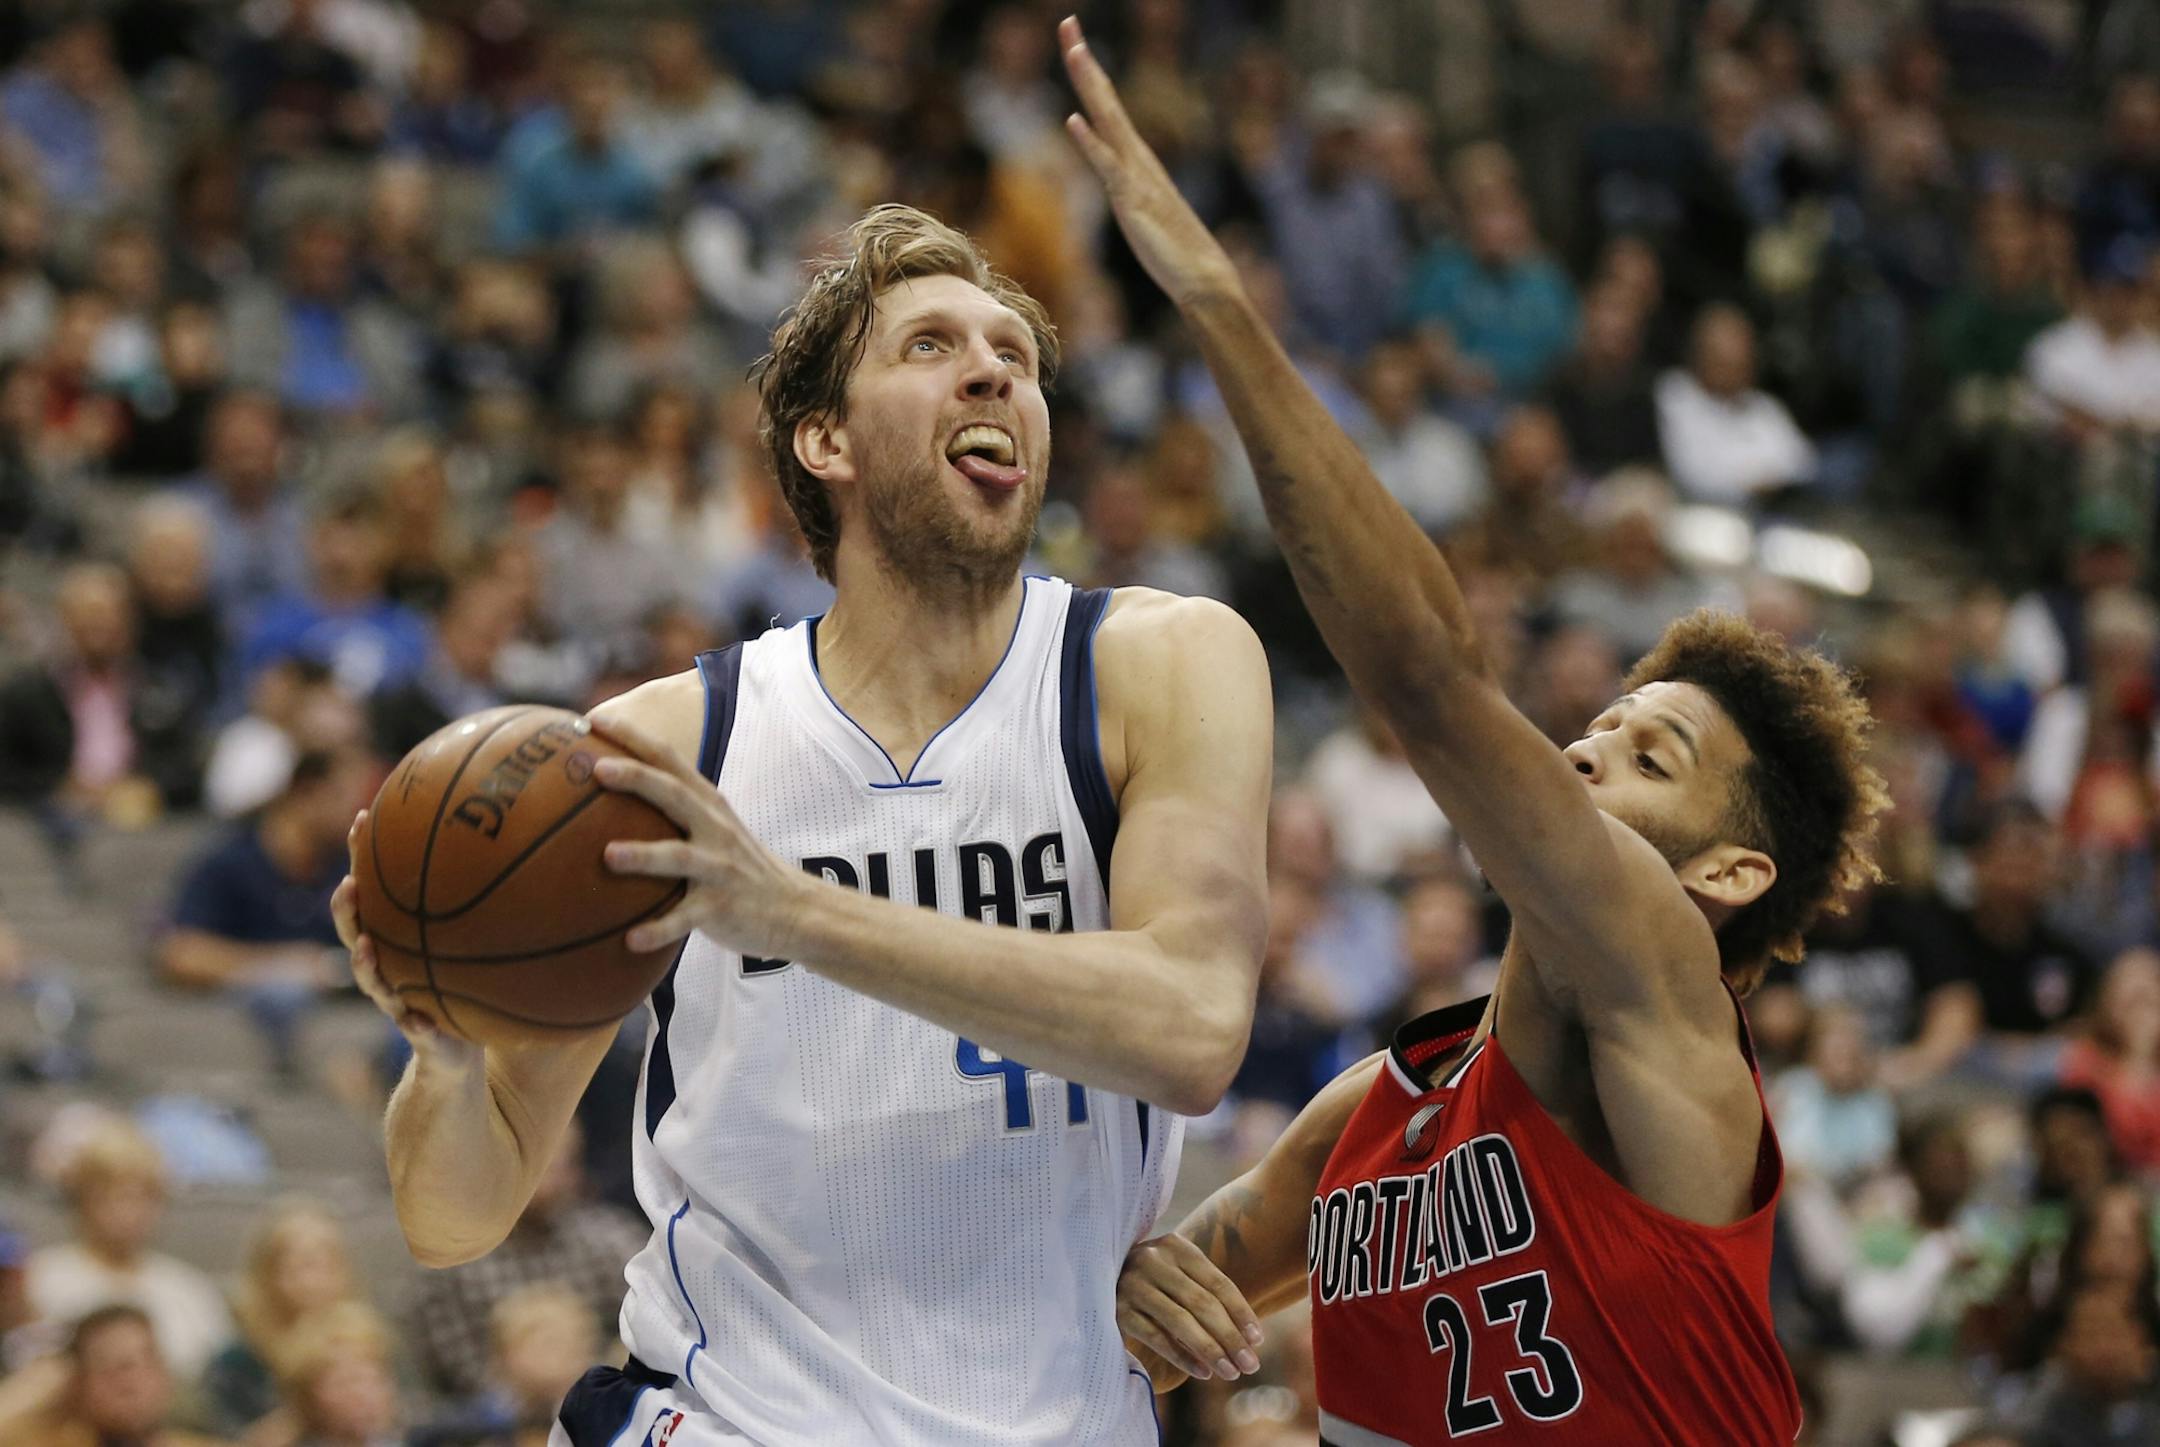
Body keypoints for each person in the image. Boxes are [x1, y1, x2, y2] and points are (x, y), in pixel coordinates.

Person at [331, 199, 1274, 1445]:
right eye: (929, 345)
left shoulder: (1157, 663)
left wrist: (790, 912)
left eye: (1018, 358)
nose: (994, 367)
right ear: (824, 439)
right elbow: (454, 1215)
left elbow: (1195, 1027)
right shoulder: (670, 743)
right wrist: (447, 1046)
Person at [1064, 21, 1884, 1444]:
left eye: (1650, 756)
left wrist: (1219, 304)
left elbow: (1432, 677)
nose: (1579, 751)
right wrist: (1131, 1287)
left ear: (1731, 872)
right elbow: (1160, 1292)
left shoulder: (1663, 976)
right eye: (1600, 724)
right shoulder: (1370, 1116)